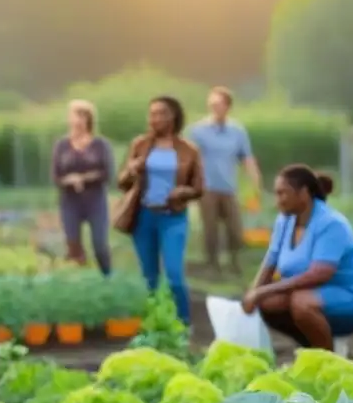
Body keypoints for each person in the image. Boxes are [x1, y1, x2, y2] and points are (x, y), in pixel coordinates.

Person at [243, 165, 353, 351]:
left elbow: (319, 274)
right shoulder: (285, 220)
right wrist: (254, 293)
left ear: (303, 193)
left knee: (301, 302)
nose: (277, 201)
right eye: (276, 194)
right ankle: (313, 347)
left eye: (283, 194)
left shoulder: (330, 223)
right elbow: (271, 260)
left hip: (350, 299)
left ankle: (328, 359)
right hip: (311, 295)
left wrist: (264, 290)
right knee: (268, 303)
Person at [116, 96, 203, 325]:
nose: (154, 118)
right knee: (149, 278)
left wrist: (182, 192)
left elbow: (199, 188)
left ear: (172, 116)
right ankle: (154, 324)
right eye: (151, 114)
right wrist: (132, 170)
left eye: (160, 113)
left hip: (173, 217)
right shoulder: (140, 145)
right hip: (144, 216)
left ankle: (183, 324)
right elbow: (122, 183)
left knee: (174, 276)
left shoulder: (189, 150)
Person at [188, 86, 261, 275]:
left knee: (235, 228)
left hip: (229, 186)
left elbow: (246, 157)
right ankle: (212, 265)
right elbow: (190, 159)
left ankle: (234, 262)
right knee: (210, 228)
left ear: (228, 106)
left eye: (218, 104)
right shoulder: (199, 130)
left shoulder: (237, 131)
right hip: (207, 187)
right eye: (211, 104)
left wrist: (255, 179)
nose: (214, 107)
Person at [51, 99, 114, 274]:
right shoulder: (61, 145)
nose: (77, 120)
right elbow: (56, 176)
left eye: (82, 116)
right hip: (70, 202)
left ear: (89, 120)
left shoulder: (101, 145)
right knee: (73, 246)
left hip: (95, 201)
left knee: (100, 245)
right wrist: (68, 180)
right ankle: (81, 283)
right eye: (74, 116)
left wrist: (83, 178)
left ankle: (108, 278)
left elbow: (107, 173)